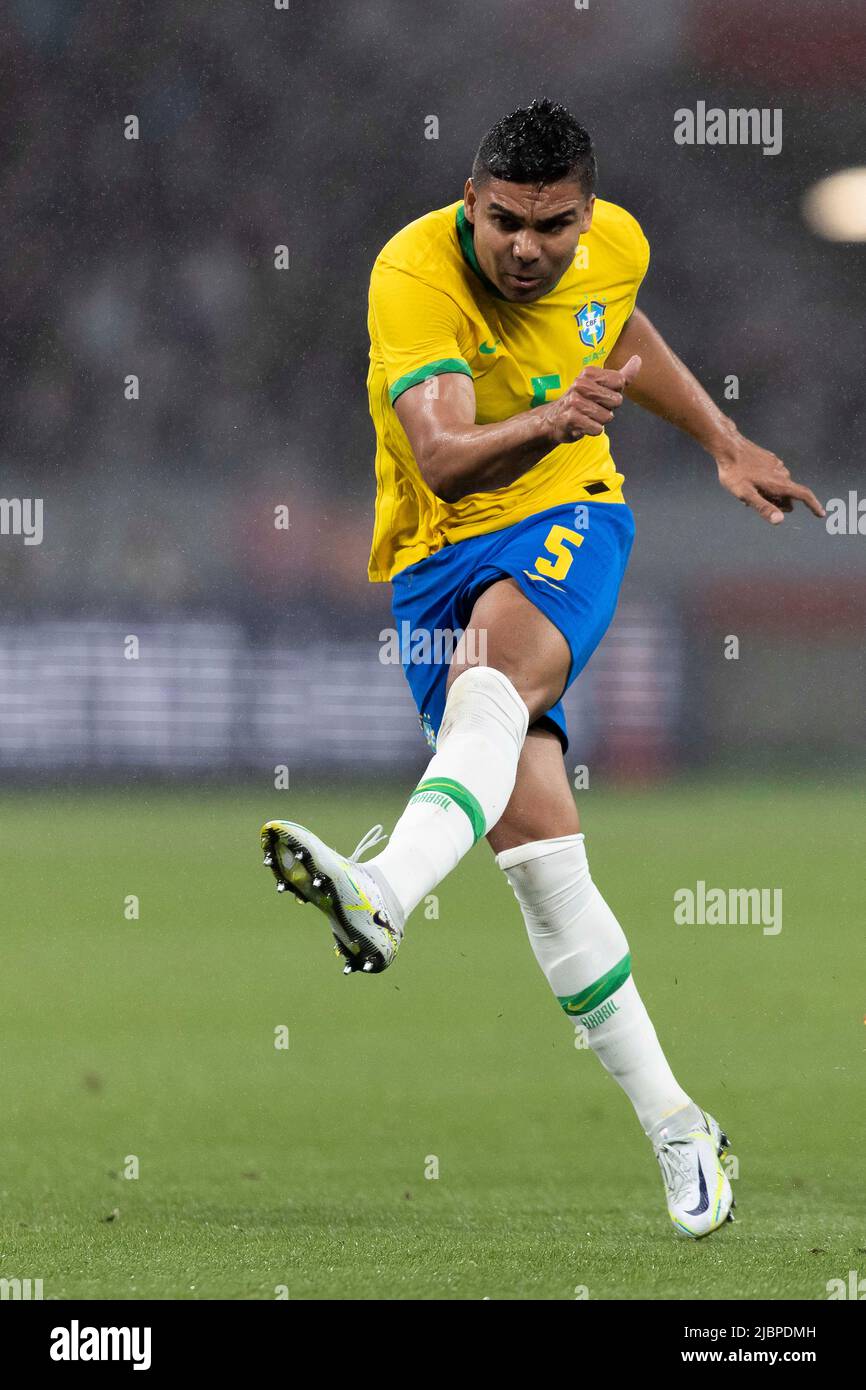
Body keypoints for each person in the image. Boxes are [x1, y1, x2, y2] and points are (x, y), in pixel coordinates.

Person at [260, 99, 824, 1238]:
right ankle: (677, 1123)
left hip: (569, 511)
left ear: (585, 213)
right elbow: (441, 458)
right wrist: (553, 413)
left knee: (492, 678)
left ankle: (384, 893)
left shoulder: (611, 246)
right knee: (541, 863)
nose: (529, 249)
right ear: (470, 201)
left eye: (552, 226)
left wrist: (721, 441)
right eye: (507, 222)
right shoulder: (412, 274)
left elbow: (618, 329)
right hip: (433, 550)